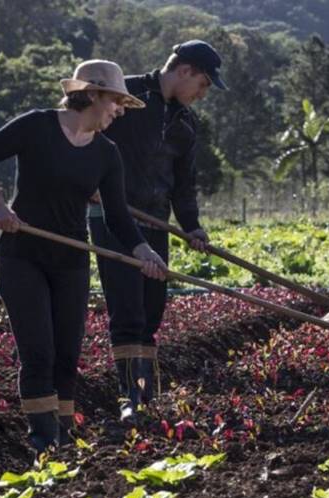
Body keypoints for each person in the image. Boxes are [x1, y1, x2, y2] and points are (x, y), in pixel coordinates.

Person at [0, 60, 167, 454]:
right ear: (92, 94)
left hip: (71, 262)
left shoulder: (107, 154)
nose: (119, 111)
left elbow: (118, 217)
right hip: (22, 255)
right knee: (38, 350)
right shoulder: (37, 126)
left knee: (66, 354)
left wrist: (145, 253)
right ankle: (43, 443)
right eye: (116, 102)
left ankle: (63, 437)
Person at [88, 40, 228, 420]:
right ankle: (127, 396)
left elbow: (184, 183)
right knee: (128, 307)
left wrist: (193, 227)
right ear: (184, 71)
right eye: (202, 85)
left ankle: (144, 393)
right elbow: (83, 132)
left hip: (155, 221)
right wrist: (89, 183)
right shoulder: (125, 93)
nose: (202, 94)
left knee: (152, 308)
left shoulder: (185, 123)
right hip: (113, 217)